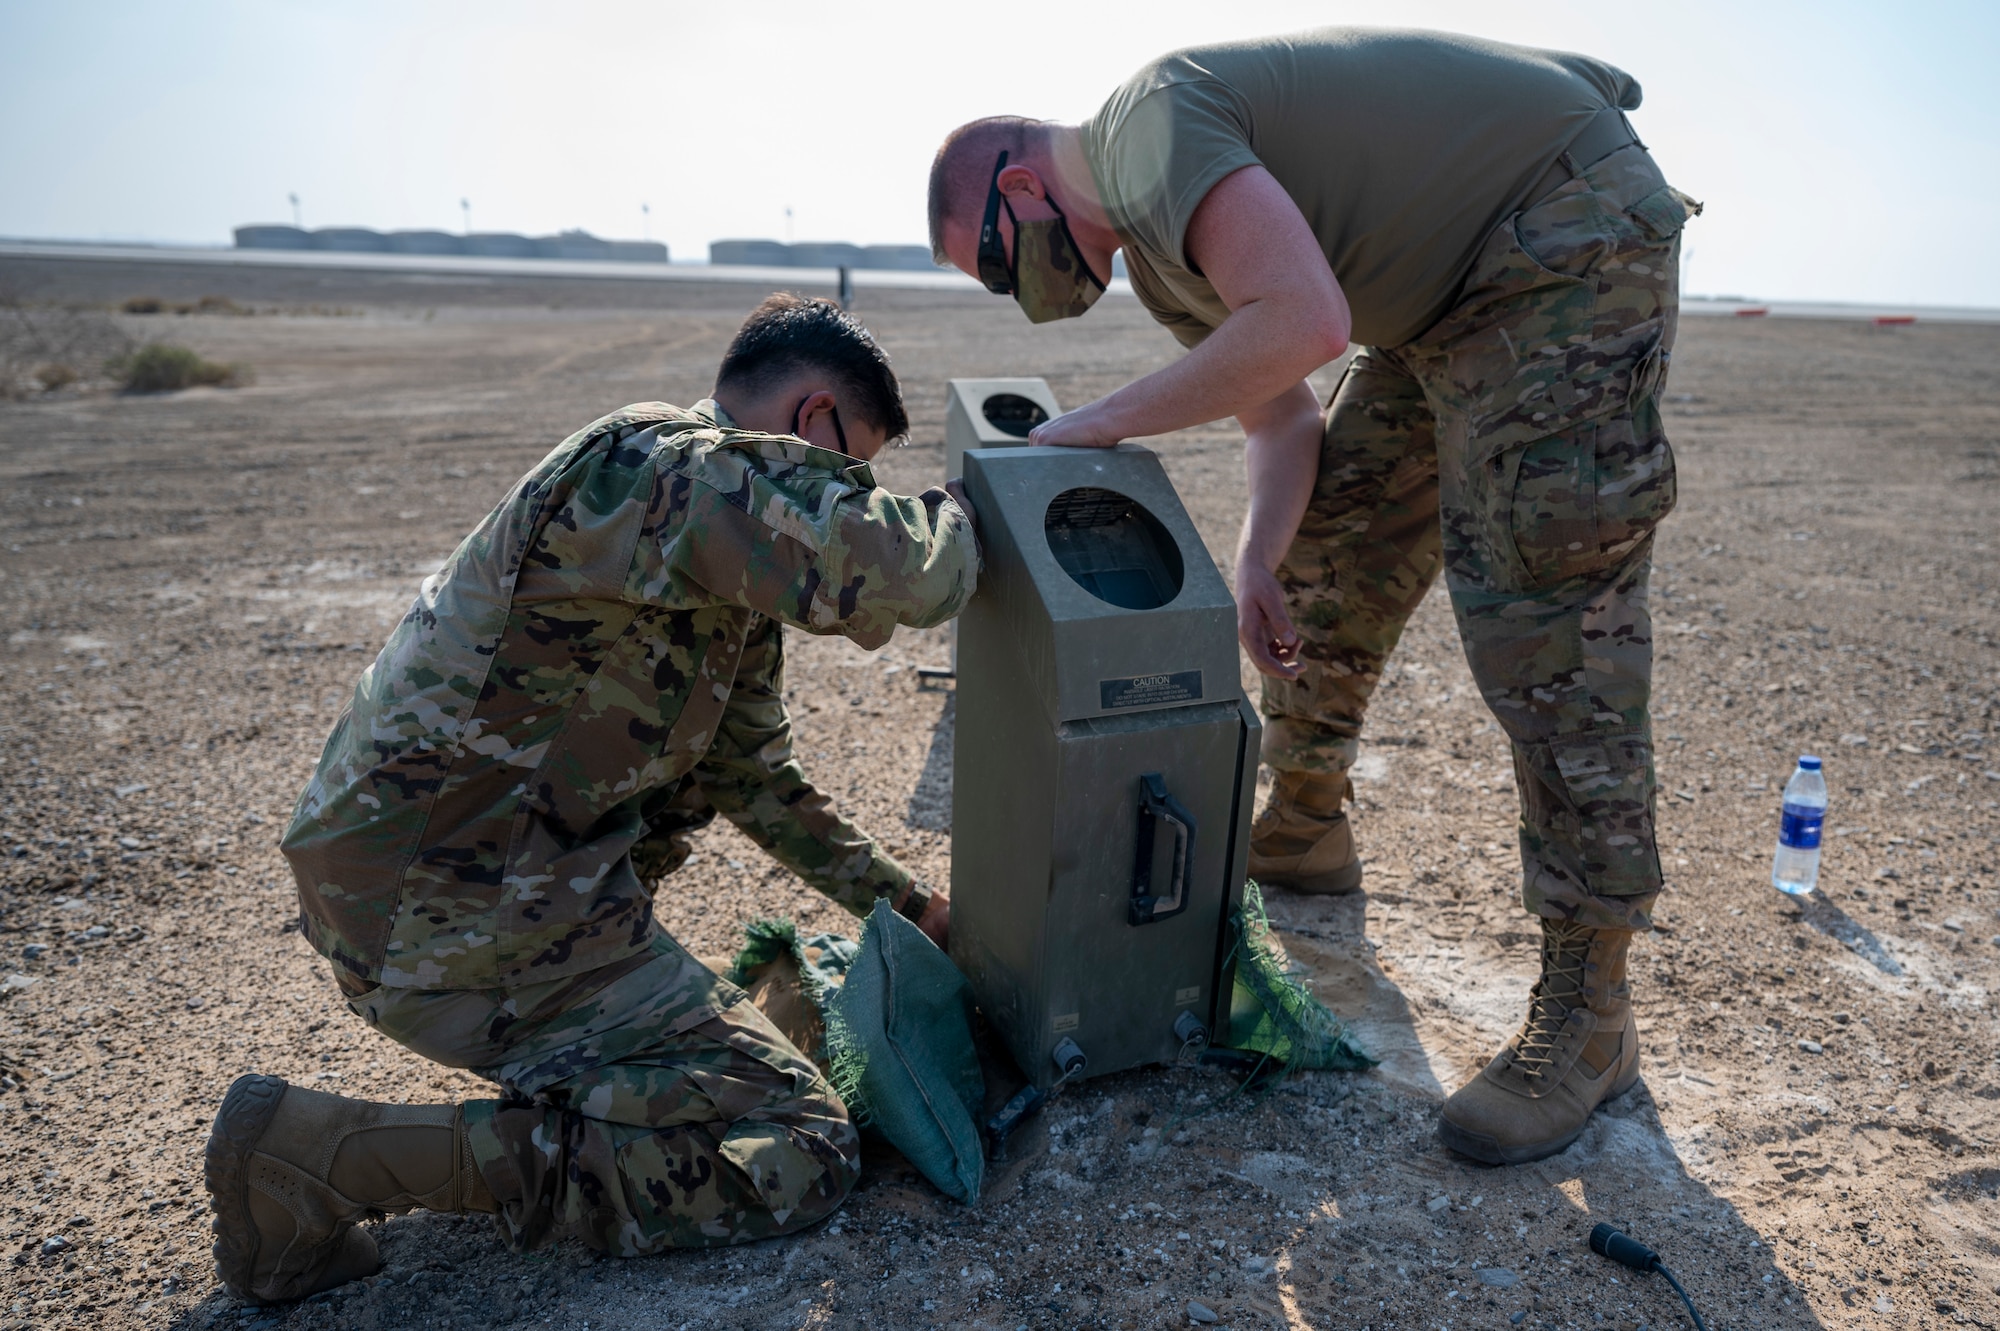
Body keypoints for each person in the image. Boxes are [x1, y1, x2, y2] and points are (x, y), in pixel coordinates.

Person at [927, 27, 1698, 1165]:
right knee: (1324, 551)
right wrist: (1252, 559)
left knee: (1545, 621)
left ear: (1025, 184)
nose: (1012, 292)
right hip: (1441, 302)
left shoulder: (1144, 129)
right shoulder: (1158, 255)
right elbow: (1283, 412)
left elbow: (1305, 322)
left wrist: (1104, 420)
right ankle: (1303, 826)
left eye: (997, 261)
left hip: (1556, 235)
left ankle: (1589, 1018)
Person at [204, 294, 979, 1304]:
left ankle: (578, 1085)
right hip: (452, 904)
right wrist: (965, 509)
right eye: (850, 466)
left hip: (492, 891)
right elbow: (897, 575)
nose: (846, 490)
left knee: (755, 1064)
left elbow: (751, 776)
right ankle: (316, 1157)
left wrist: (910, 906)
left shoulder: (711, 551)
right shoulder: (662, 470)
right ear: (811, 416)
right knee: (797, 1143)